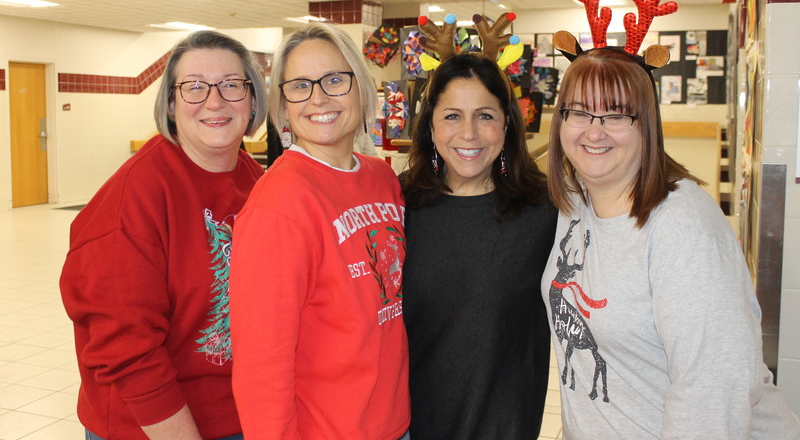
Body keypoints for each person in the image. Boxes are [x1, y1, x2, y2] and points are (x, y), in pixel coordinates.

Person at [544, 46, 800, 438]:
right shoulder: (575, 202)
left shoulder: (682, 225)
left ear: (646, 123)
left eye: (615, 114)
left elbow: (714, 390)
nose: (594, 131)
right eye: (579, 112)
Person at [60, 30, 268, 440]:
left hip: (242, 414)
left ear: (253, 100)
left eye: (231, 85)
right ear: (171, 104)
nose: (214, 100)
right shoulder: (134, 198)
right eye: (194, 87)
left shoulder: (257, 182)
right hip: (154, 427)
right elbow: (126, 349)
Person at [229, 22, 410, 440]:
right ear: (284, 105)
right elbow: (261, 364)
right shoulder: (278, 205)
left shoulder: (381, 178)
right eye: (299, 86)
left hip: (393, 422)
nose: (319, 98)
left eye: (334, 79)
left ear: (361, 87)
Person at [400, 53, 557, 439]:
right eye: (452, 115)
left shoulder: (544, 210)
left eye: (485, 115)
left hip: (505, 425)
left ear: (507, 124)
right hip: (408, 424)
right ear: (431, 126)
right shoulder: (396, 206)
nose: (468, 133)